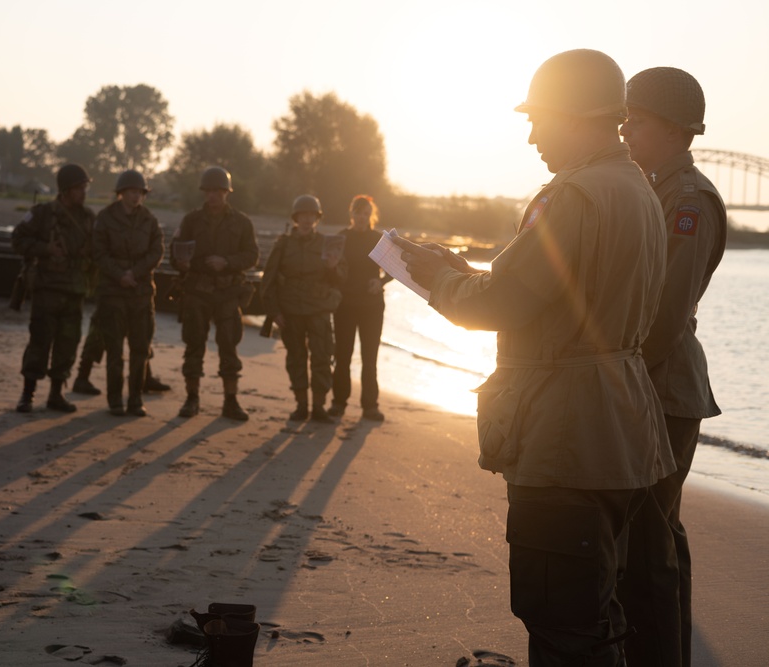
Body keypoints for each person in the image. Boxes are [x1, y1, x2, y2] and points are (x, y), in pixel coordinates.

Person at [393, 49, 673, 666]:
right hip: (621, 433)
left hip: (565, 440)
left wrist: (440, 280)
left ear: (575, 116)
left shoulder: (574, 196)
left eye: (537, 118)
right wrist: (472, 276)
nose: (530, 135)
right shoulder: (637, 189)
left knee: (559, 622)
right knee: (598, 615)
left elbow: (502, 304)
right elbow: (570, 302)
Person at [617, 67, 726, 667]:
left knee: (652, 546)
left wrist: (617, 371)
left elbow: (664, 312)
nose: (625, 128)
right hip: (645, 382)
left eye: (635, 119)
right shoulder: (652, 187)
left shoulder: (688, 200)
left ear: (672, 129)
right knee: (643, 539)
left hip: (662, 387)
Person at [171, 166, 259, 421]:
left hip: (228, 292)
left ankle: (230, 401)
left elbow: (252, 255)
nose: (213, 196)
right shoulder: (191, 220)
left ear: (226, 192)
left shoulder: (241, 222)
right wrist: (182, 264)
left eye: (218, 191)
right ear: (204, 192)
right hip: (197, 290)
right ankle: (192, 399)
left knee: (229, 346)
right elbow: (175, 250)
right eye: (209, 191)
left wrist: (227, 262)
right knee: (194, 344)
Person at [12, 164, 94, 413]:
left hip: (74, 291)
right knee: (39, 341)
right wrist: (45, 249)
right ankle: (28, 394)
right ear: (66, 190)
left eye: (84, 187)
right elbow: (18, 239)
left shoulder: (88, 218)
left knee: (68, 344)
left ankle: (56, 394)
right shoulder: (43, 213)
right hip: (47, 290)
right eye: (80, 188)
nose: (83, 192)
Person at [261, 195, 347, 423]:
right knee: (296, 357)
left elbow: (340, 280)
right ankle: (301, 406)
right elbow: (268, 279)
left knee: (322, 357)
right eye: (303, 216)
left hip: (319, 309)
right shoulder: (283, 244)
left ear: (317, 219)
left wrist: (333, 267)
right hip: (290, 310)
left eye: (312, 216)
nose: (307, 220)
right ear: (296, 218)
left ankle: (318, 406)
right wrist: (274, 311)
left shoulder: (327, 244)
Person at [89, 169, 163, 416]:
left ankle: (135, 399)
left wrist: (135, 273)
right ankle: (115, 401)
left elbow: (156, 252)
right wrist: (120, 274)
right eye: (132, 192)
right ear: (121, 193)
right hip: (113, 293)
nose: (136, 197)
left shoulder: (149, 220)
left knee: (140, 350)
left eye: (140, 193)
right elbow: (98, 252)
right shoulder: (106, 218)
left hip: (141, 294)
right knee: (115, 352)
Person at [329, 195, 390, 422]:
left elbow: (396, 267)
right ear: (351, 214)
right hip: (344, 304)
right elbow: (328, 271)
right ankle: (338, 403)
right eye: (358, 212)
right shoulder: (340, 238)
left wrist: (381, 282)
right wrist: (331, 268)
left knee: (369, 357)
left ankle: (370, 406)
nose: (361, 217)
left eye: (366, 213)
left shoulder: (379, 239)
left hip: (372, 307)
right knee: (342, 355)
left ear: (370, 216)